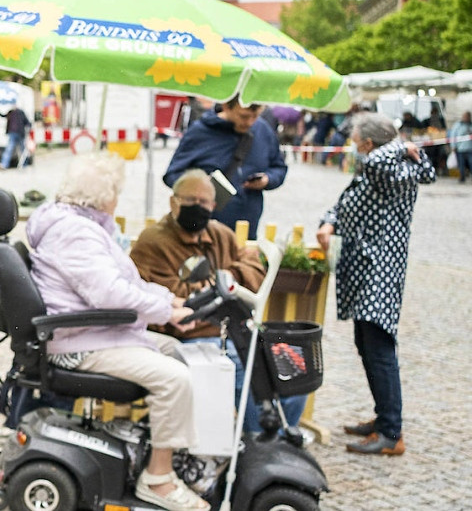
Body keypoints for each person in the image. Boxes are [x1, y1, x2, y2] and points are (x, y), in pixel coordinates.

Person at [26, 153, 207, 511]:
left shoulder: (80, 225)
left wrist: (169, 303)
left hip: (93, 332)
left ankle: (162, 451)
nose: (118, 198)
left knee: (175, 351)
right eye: (117, 191)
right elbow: (109, 293)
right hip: (80, 342)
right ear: (102, 195)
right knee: (175, 378)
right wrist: (163, 310)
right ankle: (158, 479)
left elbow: (125, 282)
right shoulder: (75, 232)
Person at [132, 169, 307, 433]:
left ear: (214, 206)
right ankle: (257, 442)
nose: (198, 207)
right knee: (241, 368)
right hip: (191, 335)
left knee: (292, 363)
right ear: (173, 202)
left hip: (234, 329)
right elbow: (173, 297)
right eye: (190, 200)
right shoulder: (153, 241)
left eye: (204, 202)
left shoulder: (219, 234)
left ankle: (276, 442)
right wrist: (221, 285)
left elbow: (253, 268)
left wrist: (226, 279)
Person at [316, 112, 435, 456]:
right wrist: (328, 222)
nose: (353, 148)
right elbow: (345, 203)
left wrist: (402, 146)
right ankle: (385, 416)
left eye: (356, 142)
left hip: (379, 267)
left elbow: (392, 158)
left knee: (379, 345)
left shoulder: (387, 168)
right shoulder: (381, 167)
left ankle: (390, 432)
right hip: (364, 266)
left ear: (369, 144)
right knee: (366, 343)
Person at [163, 96, 288, 239]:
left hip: (246, 226)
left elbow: (279, 167)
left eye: (255, 116)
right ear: (226, 106)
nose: (249, 122)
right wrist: (198, 185)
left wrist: (267, 179)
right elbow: (172, 174)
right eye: (244, 116)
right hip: (203, 228)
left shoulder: (262, 130)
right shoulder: (200, 132)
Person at [0, 102, 30, 169]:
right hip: (14, 133)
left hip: (19, 133)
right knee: (12, 149)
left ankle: (24, 164)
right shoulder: (11, 112)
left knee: (20, 149)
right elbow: (2, 115)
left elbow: (27, 122)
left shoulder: (20, 112)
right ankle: (4, 164)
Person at [451, 111, 472, 182]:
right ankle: (462, 177)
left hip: (469, 148)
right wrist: (453, 146)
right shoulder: (458, 125)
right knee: (461, 164)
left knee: (471, 163)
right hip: (460, 148)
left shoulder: (470, 125)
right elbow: (453, 135)